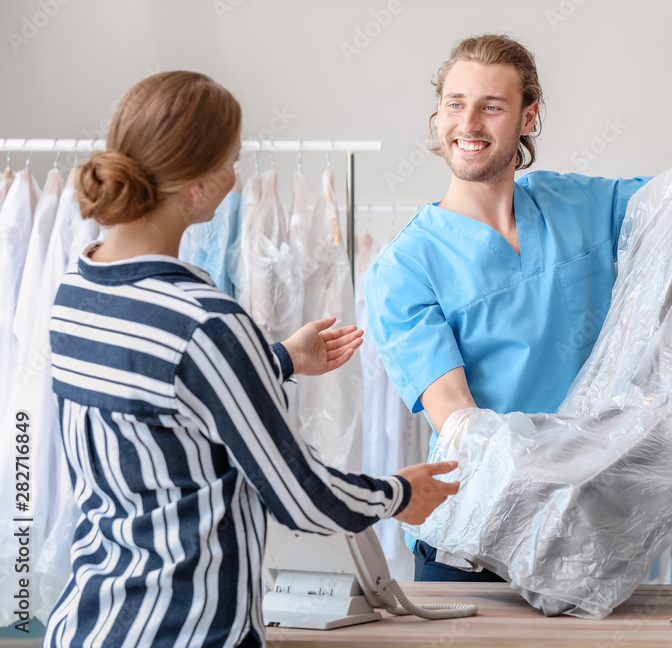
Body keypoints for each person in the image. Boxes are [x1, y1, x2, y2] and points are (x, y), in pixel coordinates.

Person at [42, 71, 458, 648]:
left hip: (86, 625)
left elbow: (159, 390)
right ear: (197, 185)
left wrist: (277, 359)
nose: (237, 179)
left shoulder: (77, 292)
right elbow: (301, 498)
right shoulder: (206, 322)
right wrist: (400, 495)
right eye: (231, 162)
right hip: (184, 632)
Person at [365, 34, 672, 582]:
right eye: (455, 104)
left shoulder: (574, 204)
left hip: (590, 530)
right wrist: (573, 464)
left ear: (528, 117)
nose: (468, 123)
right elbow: (458, 420)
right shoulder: (405, 267)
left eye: (491, 106)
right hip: (476, 539)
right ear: (439, 114)